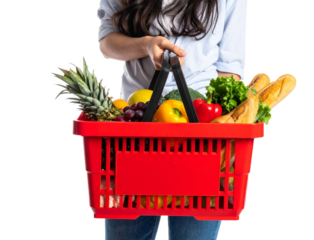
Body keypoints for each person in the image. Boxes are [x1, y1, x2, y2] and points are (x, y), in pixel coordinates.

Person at [96, 0, 248, 239]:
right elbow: (106, 42)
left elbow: (230, 67)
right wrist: (145, 45)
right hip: (134, 128)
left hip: (201, 136)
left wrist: (216, 126)